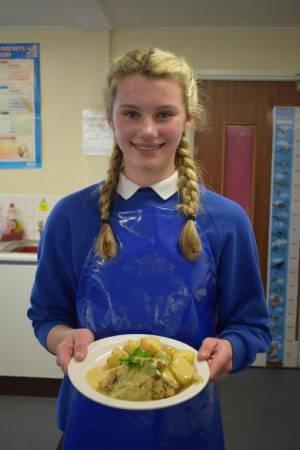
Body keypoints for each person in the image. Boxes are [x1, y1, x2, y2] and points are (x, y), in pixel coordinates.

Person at [28, 47, 271, 450]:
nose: (147, 130)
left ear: (188, 119)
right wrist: (62, 338)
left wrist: (231, 347)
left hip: (188, 423)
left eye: (164, 114)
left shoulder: (226, 220)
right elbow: (46, 313)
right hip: (91, 419)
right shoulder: (71, 217)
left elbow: (250, 325)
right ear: (111, 117)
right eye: (130, 113)